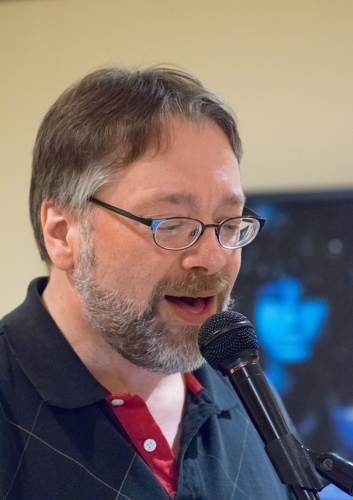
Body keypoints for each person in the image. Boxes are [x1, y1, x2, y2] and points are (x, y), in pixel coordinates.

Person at [0, 67, 295, 499]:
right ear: (62, 233)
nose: (213, 258)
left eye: (229, 223)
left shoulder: (248, 398)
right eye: (171, 223)